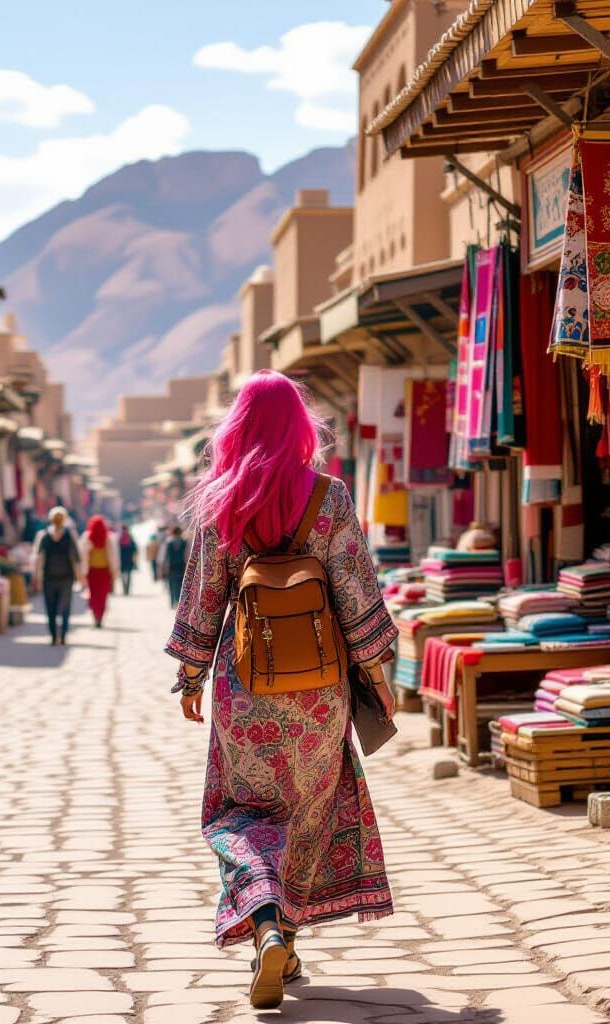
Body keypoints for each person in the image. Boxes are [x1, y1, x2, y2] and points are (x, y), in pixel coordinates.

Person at [164, 369, 397, 1011]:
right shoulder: (330, 497)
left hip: (245, 690)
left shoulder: (221, 501)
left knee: (238, 814)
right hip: (320, 694)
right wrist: (379, 678)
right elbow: (355, 594)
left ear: (236, 427)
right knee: (307, 813)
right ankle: (285, 940)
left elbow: (204, 595)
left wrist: (189, 676)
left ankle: (267, 928)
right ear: (300, 426)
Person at [33, 506, 80, 645]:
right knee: (65, 607)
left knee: (51, 607)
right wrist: (80, 577)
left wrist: (36, 576)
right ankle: (63, 634)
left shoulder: (44, 535)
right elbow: (76, 558)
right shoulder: (69, 535)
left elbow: (38, 558)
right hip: (66, 577)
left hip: (49, 576)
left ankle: (54, 636)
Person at [79, 515, 119, 627]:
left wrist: (82, 573)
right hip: (104, 572)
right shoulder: (109, 538)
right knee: (102, 595)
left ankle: (96, 616)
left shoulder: (87, 538)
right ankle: (99, 616)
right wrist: (114, 573)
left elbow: (82, 556)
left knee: (93, 595)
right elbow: (114, 557)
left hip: (92, 572)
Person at [162, 526, 187, 608]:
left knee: (171, 584)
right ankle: (178, 600)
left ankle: (172, 601)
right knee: (180, 584)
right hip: (181, 565)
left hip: (171, 566)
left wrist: (163, 567)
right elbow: (186, 555)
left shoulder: (169, 542)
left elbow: (165, 556)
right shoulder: (183, 542)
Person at [118, 525, 137, 595]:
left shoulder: (130, 538)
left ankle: (127, 589)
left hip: (129, 559)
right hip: (122, 560)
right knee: (123, 576)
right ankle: (124, 588)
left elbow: (135, 548)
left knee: (128, 575)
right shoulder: (119, 538)